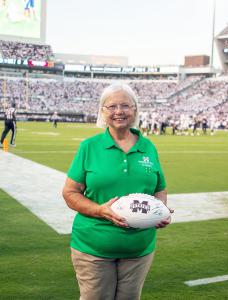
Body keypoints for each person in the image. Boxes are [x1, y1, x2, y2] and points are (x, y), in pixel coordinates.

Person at [62, 83, 173, 300]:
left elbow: (160, 187)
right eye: (111, 106)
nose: (119, 111)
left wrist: (160, 210)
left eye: (125, 105)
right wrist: (100, 210)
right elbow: (70, 193)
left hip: (139, 250)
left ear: (135, 110)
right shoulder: (89, 146)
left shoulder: (148, 146)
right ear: (102, 111)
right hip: (93, 247)